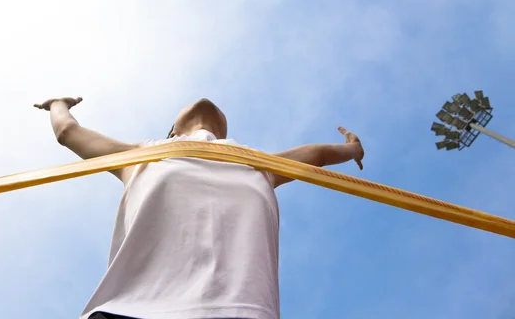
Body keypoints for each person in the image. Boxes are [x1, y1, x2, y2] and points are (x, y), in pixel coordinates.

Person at [34, 97, 365, 319]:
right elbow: (68, 132)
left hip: (239, 312)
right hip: (130, 310)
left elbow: (319, 154)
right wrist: (57, 103)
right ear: (172, 131)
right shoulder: (141, 156)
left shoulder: (257, 164)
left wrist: (352, 149)